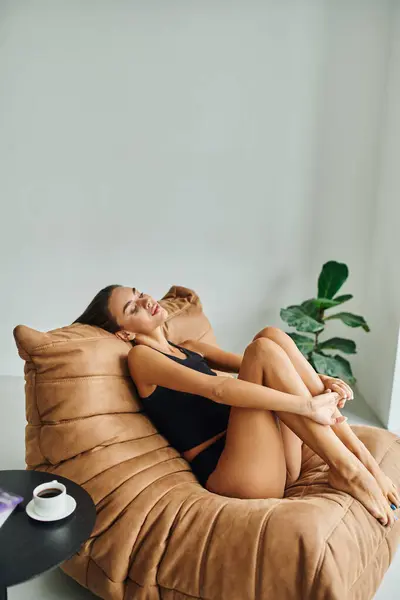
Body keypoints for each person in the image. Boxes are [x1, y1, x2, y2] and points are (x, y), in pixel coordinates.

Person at [74, 285, 400, 528]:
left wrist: (319, 379)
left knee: (270, 336)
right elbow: (218, 389)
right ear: (125, 332)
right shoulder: (141, 358)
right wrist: (305, 405)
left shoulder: (188, 348)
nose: (146, 300)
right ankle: (348, 470)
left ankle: (363, 461)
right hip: (235, 475)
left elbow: (274, 364)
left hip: (273, 462)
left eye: (139, 293)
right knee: (262, 349)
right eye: (133, 308)